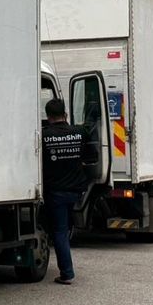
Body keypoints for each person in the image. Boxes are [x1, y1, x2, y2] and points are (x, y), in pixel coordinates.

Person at [41, 98, 94, 285]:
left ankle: (67, 273)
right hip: (76, 191)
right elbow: (91, 156)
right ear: (65, 114)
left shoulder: (44, 135)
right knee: (65, 228)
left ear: (48, 117)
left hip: (55, 193)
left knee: (59, 232)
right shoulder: (79, 133)